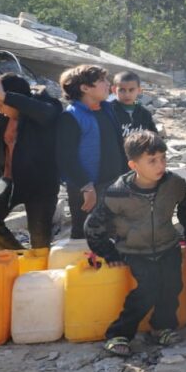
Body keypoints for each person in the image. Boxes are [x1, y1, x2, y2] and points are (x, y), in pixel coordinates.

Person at [85, 131, 186, 356]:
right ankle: (119, 333)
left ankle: (162, 327)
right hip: (134, 250)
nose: (161, 165)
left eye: (163, 158)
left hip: (168, 246)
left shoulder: (174, 184)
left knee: (172, 286)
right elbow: (93, 226)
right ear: (133, 165)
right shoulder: (118, 192)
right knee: (148, 289)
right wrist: (109, 253)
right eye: (152, 161)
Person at [55, 65, 129, 240]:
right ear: (85, 88)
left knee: (113, 233)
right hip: (88, 187)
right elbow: (66, 158)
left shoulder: (107, 109)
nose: (108, 84)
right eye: (102, 80)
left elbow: (118, 144)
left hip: (114, 183)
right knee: (85, 234)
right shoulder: (71, 117)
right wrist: (86, 187)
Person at [0, 74, 62, 250]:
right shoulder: (2, 117)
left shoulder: (45, 107)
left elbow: (48, 113)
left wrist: (6, 97)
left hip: (40, 186)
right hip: (10, 180)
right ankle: (20, 256)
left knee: (40, 241)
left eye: (0, 102)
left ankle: (38, 263)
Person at [110, 72, 158, 139]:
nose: (127, 95)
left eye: (131, 90)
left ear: (139, 90)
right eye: (122, 90)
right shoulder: (108, 111)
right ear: (114, 90)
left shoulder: (145, 114)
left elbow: (154, 138)